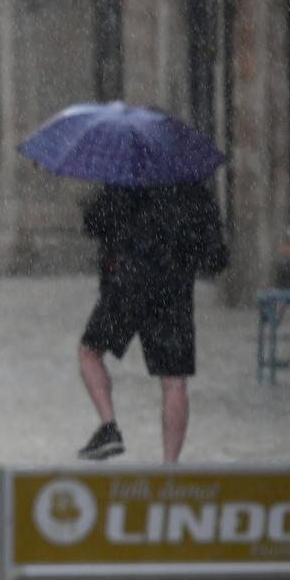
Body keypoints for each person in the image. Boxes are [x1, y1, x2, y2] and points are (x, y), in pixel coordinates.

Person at [76, 181, 227, 462]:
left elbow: (94, 222)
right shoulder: (192, 187)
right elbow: (216, 255)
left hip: (127, 284)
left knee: (89, 352)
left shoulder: (125, 179)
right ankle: (170, 463)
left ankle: (109, 426)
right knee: (174, 382)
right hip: (174, 291)